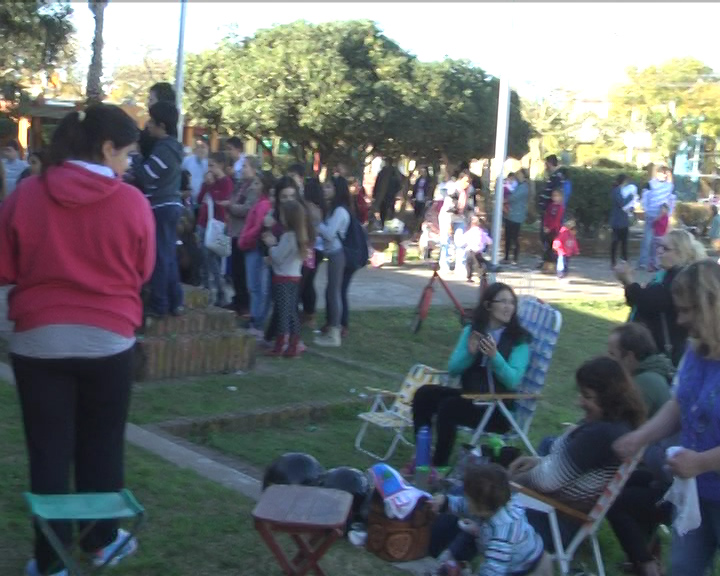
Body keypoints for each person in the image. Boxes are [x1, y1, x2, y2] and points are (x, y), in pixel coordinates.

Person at [0, 104, 155, 576]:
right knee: (102, 445)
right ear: (107, 149)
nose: (128, 165)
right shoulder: (132, 203)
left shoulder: (27, 194)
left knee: (48, 452)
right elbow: (143, 270)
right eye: (127, 154)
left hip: (38, 340)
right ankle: (101, 541)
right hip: (107, 340)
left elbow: (5, 266)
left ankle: (51, 562)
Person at [614, 259, 720, 576]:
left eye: (687, 311)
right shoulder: (696, 351)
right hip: (695, 493)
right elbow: (679, 405)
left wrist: (702, 462)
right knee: (682, 568)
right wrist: (640, 437)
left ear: (712, 306)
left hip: (703, 476)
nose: (680, 320)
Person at [510, 356, 646, 552]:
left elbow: (545, 481)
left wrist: (507, 480)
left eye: (587, 396)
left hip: (550, 523)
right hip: (564, 520)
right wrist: (539, 461)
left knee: (479, 496)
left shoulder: (600, 435)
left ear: (609, 398)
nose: (579, 402)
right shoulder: (621, 426)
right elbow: (568, 473)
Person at [411, 283, 531, 470]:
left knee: (449, 407)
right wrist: (470, 353)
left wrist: (495, 357)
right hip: (470, 396)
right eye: (503, 302)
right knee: (424, 394)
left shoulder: (519, 340)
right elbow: (453, 369)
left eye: (512, 302)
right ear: (488, 305)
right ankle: (421, 457)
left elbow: (513, 380)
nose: (509, 307)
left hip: (497, 409)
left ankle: (440, 466)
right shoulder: (471, 331)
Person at [605, 322, 673, 576]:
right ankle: (647, 555)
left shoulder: (644, 383)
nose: (608, 360)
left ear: (630, 357)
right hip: (661, 470)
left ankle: (646, 564)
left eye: (613, 355)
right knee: (624, 489)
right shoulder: (649, 374)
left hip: (663, 473)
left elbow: (618, 427)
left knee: (615, 498)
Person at [429, 463, 551, 576]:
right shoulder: (494, 504)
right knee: (469, 535)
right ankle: (451, 560)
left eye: (468, 498)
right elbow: (464, 505)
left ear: (481, 508)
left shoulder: (501, 536)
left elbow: (494, 570)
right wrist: (445, 501)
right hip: (509, 548)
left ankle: (452, 564)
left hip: (524, 567)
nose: (465, 500)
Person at [614, 228, 706, 366]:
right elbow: (638, 302)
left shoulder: (681, 278)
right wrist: (628, 283)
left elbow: (652, 301)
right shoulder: (665, 274)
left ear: (681, 253)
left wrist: (628, 280)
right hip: (654, 346)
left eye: (665, 248)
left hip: (663, 351)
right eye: (659, 246)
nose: (659, 251)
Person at [132, 101, 184, 318]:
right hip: (171, 205)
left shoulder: (164, 149)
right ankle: (176, 301)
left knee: (160, 256)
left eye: (152, 122)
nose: (149, 126)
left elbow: (147, 176)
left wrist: (135, 158)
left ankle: (160, 304)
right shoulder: (173, 147)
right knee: (168, 254)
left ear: (162, 126)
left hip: (161, 205)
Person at [263, 199, 309, 358]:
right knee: (291, 312)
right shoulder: (300, 237)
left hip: (283, 278)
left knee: (283, 312)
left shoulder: (288, 237)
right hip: (295, 277)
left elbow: (278, 256)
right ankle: (293, 344)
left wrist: (271, 245)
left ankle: (281, 344)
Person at [314, 176, 351, 347]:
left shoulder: (340, 211)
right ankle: (332, 329)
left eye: (329, 187)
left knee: (334, 292)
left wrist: (317, 223)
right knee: (331, 291)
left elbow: (329, 233)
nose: (325, 190)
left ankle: (335, 333)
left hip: (338, 253)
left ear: (338, 190)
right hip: (332, 253)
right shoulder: (333, 209)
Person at [237, 170, 273, 337]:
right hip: (252, 246)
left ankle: (257, 319)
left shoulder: (264, 204)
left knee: (256, 286)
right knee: (254, 286)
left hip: (254, 247)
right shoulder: (259, 203)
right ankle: (255, 317)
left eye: (257, 183)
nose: (253, 186)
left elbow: (258, 227)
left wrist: (244, 238)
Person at [225, 154, 262, 316]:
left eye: (245, 166)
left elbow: (248, 209)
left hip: (244, 232)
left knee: (242, 270)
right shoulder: (241, 184)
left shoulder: (254, 187)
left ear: (253, 169)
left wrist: (231, 207)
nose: (242, 169)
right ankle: (238, 299)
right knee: (235, 269)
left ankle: (244, 304)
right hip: (235, 231)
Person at [195, 152, 233, 307]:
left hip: (217, 224)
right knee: (203, 258)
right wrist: (206, 185)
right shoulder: (209, 181)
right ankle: (206, 289)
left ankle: (220, 291)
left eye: (212, 165)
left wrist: (211, 186)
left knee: (212, 259)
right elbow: (199, 199)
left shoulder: (226, 182)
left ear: (221, 165)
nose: (209, 169)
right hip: (203, 222)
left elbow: (221, 201)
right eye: (208, 165)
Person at [638, 165, 675, 270]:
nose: (663, 175)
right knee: (647, 240)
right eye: (661, 173)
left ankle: (656, 263)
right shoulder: (650, 184)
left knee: (659, 241)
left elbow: (672, 200)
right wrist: (646, 210)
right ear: (657, 173)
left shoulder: (670, 186)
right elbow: (645, 198)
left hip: (662, 217)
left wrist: (669, 214)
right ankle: (643, 262)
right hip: (651, 214)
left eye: (665, 173)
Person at [502, 168, 529, 265]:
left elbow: (513, 197)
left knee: (514, 237)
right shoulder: (517, 185)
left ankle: (515, 257)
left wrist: (504, 200)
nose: (518, 176)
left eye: (519, 174)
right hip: (510, 214)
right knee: (508, 236)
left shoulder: (524, 187)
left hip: (517, 215)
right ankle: (506, 256)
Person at [538, 155, 564, 255]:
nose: (545, 166)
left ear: (549, 163)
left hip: (550, 212)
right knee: (545, 236)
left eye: (546, 163)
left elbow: (556, 193)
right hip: (547, 210)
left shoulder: (556, 177)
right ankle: (547, 256)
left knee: (548, 237)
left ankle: (549, 257)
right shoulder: (553, 176)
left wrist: (549, 207)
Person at [610, 174, 636, 268]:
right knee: (616, 241)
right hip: (618, 220)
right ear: (623, 181)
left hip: (623, 219)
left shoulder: (620, 190)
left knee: (624, 242)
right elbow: (622, 203)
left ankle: (624, 260)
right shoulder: (616, 190)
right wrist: (631, 197)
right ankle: (614, 261)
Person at [457, 216, 491, 283]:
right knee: (479, 264)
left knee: (469, 264)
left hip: (470, 250)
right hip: (478, 251)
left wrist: (462, 245)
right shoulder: (481, 232)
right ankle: (482, 276)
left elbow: (462, 241)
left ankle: (469, 277)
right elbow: (489, 241)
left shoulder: (469, 232)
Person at [372, 157, 402, 228]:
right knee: (384, 210)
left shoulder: (393, 172)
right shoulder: (384, 172)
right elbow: (377, 183)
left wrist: (375, 194)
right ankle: (385, 224)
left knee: (387, 210)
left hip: (388, 195)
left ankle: (387, 225)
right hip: (385, 196)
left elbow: (399, 184)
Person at [181, 139, 209, 206]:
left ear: (208, 149)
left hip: (203, 200)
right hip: (188, 199)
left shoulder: (209, 163)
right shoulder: (187, 160)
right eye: (199, 147)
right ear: (195, 149)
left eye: (203, 147)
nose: (201, 150)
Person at [541, 188, 564, 267]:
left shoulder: (560, 207)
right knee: (547, 247)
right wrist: (545, 226)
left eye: (557, 196)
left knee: (553, 247)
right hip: (547, 229)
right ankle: (546, 262)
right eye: (554, 196)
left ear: (561, 197)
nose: (555, 198)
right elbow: (547, 216)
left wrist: (550, 228)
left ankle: (552, 263)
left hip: (554, 230)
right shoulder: (550, 206)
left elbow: (557, 220)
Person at [649, 203, 669, 272]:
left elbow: (663, 225)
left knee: (660, 251)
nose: (662, 210)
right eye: (661, 209)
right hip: (655, 235)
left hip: (661, 236)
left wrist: (658, 218)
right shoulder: (658, 216)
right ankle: (653, 265)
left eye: (663, 209)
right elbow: (653, 224)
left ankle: (658, 265)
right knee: (653, 251)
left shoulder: (665, 217)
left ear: (666, 210)